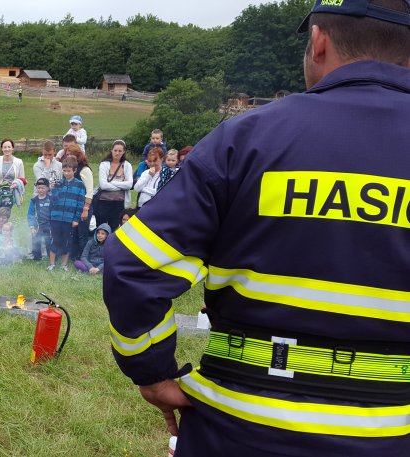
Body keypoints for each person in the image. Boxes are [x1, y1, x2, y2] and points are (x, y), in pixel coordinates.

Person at [104, 1, 410, 455]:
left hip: (237, 428)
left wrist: (150, 371)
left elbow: (133, 264)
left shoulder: (244, 140)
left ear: (319, 41)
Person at [47, 156, 85, 271]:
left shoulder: (80, 185)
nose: (66, 173)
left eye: (69, 171)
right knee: (54, 239)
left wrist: (76, 219)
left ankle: (64, 264)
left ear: (74, 170)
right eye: (64, 171)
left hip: (69, 219)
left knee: (67, 241)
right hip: (56, 217)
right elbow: (53, 200)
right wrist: (52, 189)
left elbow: (80, 203)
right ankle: (52, 264)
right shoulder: (59, 183)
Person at [63, 144, 94, 261]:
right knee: (74, 233)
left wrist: (85, 209)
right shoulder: (69, 170)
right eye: (67, 154)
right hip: (73, 206)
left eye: (71, 154)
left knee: (82, 234)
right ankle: (74, 255)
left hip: (84, 207)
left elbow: (90, 191)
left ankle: (83, 257)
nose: (69, 156)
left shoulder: (85, 170)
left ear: (78, 155)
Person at [95, 140, 133, 232]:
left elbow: (129, 185)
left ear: (123, 152)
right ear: (111, 150)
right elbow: (103, 185)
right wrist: (121, 184)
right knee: (101, 229)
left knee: (115, 229)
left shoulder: (127, 165)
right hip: (103, 203)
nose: (117, 153)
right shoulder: (104, 164)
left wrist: (112, 183)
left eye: (120, 151)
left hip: (119, 203)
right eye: (115, 150)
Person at [0, 139, 25, 211]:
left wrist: (16, 184)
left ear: (12, 148)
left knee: (5, 215)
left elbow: (22, 179)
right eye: (5, 147)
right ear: (2, 149)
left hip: (10, 194)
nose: (7, 149)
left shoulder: (19, 162)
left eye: (9, 147)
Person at [27, 178, 52, 261]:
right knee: (36, 241)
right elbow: (30, 214)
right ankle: (37, 258)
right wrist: (31, 226)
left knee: (49, 241)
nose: (40, 190)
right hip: (37, 226)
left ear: (48, 188)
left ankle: (51, 257)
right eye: (39, 188)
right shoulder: (34, 201)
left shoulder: (51, 199)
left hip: (49, 225)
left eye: (43, 188)